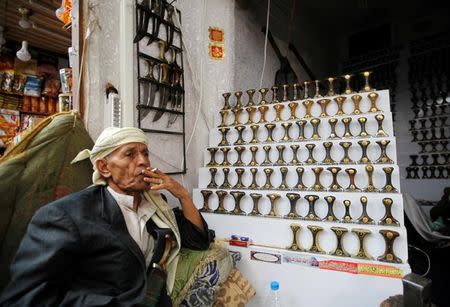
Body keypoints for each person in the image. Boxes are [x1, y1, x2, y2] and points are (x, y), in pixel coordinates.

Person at [0, 127, 214, 306]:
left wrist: (182, 194)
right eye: (130, 154)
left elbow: (198, 241)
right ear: (104, 167)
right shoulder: (66, 216)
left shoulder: (157, 209)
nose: (143, 162)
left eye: (145, 153)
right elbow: (26, 298)